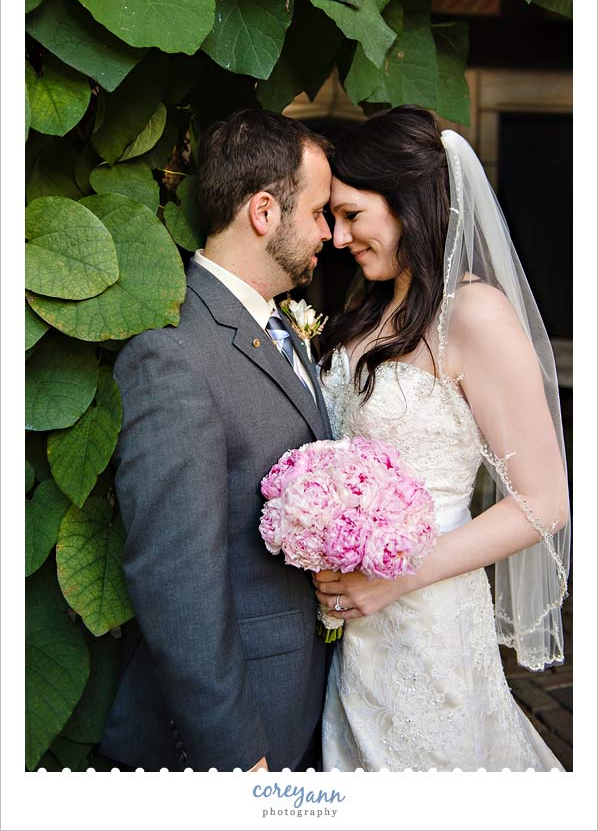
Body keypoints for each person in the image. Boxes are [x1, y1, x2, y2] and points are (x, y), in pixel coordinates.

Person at [314, 105, 570, 771]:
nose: (339, 239)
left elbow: (545, 502)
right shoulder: (366, 308)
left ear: (406, 202)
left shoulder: (476, 314)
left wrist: (396, 580)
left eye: (352, 215)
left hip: (427, 618)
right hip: (353, 629)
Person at [99, 109, 334, 771]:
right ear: (265, 212)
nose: (329, 232)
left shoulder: (281, 326)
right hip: (236, 738)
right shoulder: (174, 354)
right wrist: (237, 764)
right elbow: (177, 580)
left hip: (299, 704)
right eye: (317, 211)